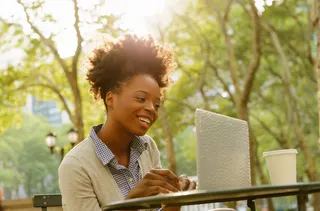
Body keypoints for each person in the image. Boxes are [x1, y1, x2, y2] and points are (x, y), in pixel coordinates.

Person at [58, 33, 196, 211]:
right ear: (111, 98)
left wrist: (176, 201)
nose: (151, 109)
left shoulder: (148, 147)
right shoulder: (76, 166)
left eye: (156, 104)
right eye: (140, 98)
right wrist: (132, 201)